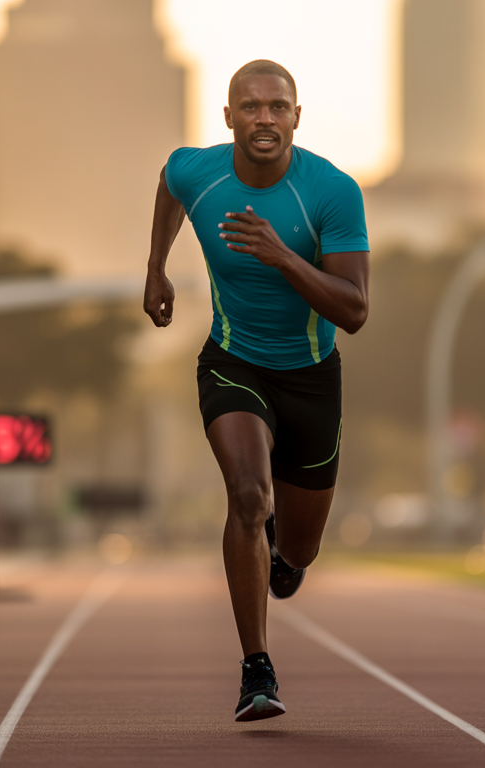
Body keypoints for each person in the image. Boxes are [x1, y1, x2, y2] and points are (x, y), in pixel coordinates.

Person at [142, 59, 370, 722]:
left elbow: (354, 311)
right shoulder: (199, 170)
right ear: (229, 118)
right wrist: (155, 267)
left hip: (310, 378)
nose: (263, 119)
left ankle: (281, 552)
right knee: (247, 495)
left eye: (277, 107)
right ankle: (256, 669)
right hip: (233, 361)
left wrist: (283, 256)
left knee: (297, 552)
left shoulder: (330, 192)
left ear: (297, 117)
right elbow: (167, 183)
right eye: (250, 107)